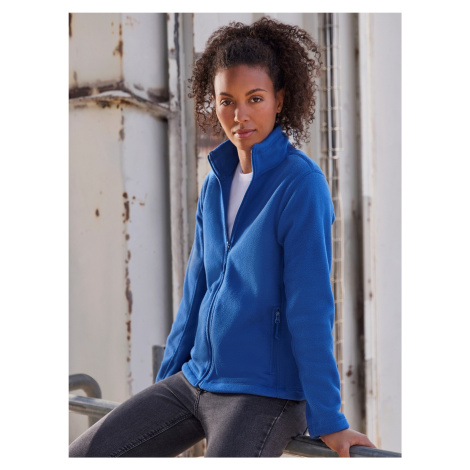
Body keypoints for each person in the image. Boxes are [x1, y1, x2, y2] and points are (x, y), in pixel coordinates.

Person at [69, 16, 375, 458]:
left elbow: (310, 307)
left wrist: (329, 418)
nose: (239, 115)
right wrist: (164, 385)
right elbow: (196, 290)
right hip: (196, 379)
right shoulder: (216, 181)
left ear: (280, 100)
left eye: (255, 99)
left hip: (263, 394)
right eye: (226, 101)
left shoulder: (301, 186)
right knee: (82, 456)